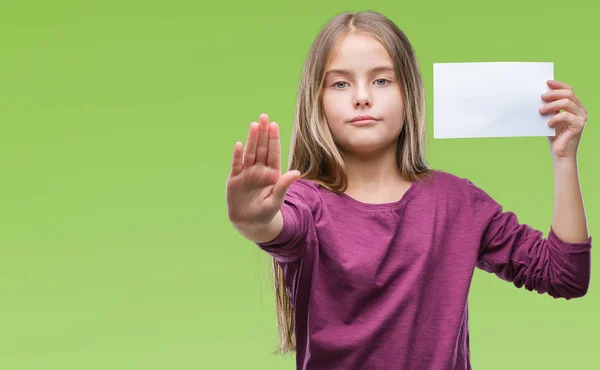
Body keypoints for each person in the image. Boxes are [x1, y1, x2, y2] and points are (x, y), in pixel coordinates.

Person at [225, 10, 592, 370]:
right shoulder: (306, 202)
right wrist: (251, 219)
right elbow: (275, 228)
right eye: (340, 83)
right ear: (316, 100)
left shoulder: (457, 202)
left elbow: (565, 275)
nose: (362, 97)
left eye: (382, 80)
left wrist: (564, 160)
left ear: (409, 92)